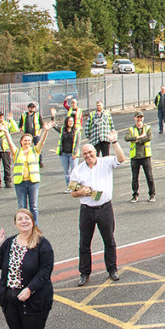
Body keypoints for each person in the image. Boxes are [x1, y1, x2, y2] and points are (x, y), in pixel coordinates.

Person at [69, 132, 126, 286]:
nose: (88, 156)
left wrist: (114, 141)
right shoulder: (78, 170)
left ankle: (112, 269)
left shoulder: (105, 162)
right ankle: (84, 273)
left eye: (90, 152)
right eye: (85, 154)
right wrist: (80, 192)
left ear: (95, 152)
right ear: (82, 155)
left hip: (105, 208)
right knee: (84, 243)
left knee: (109, 240)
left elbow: (121, 159)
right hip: (87, 209)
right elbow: (73, 191)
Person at [5, 125, 52, 224]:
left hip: (33, 182)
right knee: (22, 207)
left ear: (31, 142)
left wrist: (45, 131)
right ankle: (23, 225)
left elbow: (42, 142)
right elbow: (10, 143)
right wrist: (6, 132)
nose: (27, 142)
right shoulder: (17, 152)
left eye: (29, 141)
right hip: (20, 183)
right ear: (21, 142)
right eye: (25, 141)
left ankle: (35, 226)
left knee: (33, 206)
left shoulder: (35, 151)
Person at [125, 111, 155, 203]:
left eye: (141, 117)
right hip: (135, 156)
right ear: (135, 118)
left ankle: (152, 194)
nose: (139, 119)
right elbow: (126, 138)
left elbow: (149, 137)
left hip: (145, 155)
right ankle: (135, 195)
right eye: (138, 117)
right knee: (135, 177)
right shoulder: (131, 129)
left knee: (149, 176)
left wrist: (138, 141)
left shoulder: (147, 128)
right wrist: (138, 137)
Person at [0, 111, 19, 190]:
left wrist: (11, 120)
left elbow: (15, 129)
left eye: (2, 116)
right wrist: (4, 133)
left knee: (7, 166)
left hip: (5, 149)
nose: (1, 118)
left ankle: (8, 182)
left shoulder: (6, 124)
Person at [51, 112, 81, 186]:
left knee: (74, 171)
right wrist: (53, 116)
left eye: (72, 121)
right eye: (69, 121)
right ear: (66, 122)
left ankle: (75, 186)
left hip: (72, 154)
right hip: (64, 154)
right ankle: (69, 186)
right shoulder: (62, 130)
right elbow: (54, 125)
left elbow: (78, 143)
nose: (71, 123)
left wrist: (74, 153)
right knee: (66, 172)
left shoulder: (76, 131)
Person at [19, 102, 46, 168]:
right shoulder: (24, 115)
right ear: (28, 108)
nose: (32, 108)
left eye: (33, 107)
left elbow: (41, 125)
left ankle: (40, 162)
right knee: (27, 148)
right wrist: (22, 134)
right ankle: (28, 161)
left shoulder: (37, 115)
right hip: (28, 135)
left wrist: (38, 133)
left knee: (38, 148)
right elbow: (20, 125)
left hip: (35, 135)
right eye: (31, 107)